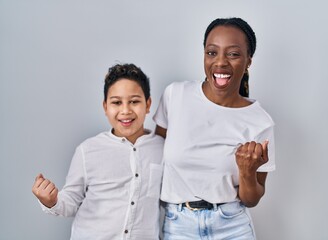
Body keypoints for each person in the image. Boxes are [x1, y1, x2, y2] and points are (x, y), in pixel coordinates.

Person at [153, 17, 275, 239]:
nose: (220, 62)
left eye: (233, 54)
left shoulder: (259, 121)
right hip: (178, 226)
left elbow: (251, 199)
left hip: (232, 227)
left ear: (248, 60)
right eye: (212, 52)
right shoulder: (175, 95)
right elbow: (152, 157)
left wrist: (247, 172)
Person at [32, 63, 164, 240]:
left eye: (134, 101)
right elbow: (71, 200)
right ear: (105, 107)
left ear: (148, 105)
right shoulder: (88, 150)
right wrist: (51, 201)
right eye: (116, 102)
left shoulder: (162, 149)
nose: (125, 110)